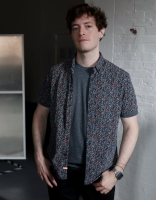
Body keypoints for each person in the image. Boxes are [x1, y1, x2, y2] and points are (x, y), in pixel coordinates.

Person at [32, 3, 139, 200]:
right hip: (60, 173)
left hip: (101, 175)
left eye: (88, 26)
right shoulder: (55, 75)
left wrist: (117, 172)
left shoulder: (120, 79)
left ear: (101, 31)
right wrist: (39, 157)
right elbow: (40, 114)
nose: (81, 32)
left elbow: (131, 127)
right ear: (72, 33)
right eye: (75, 27)